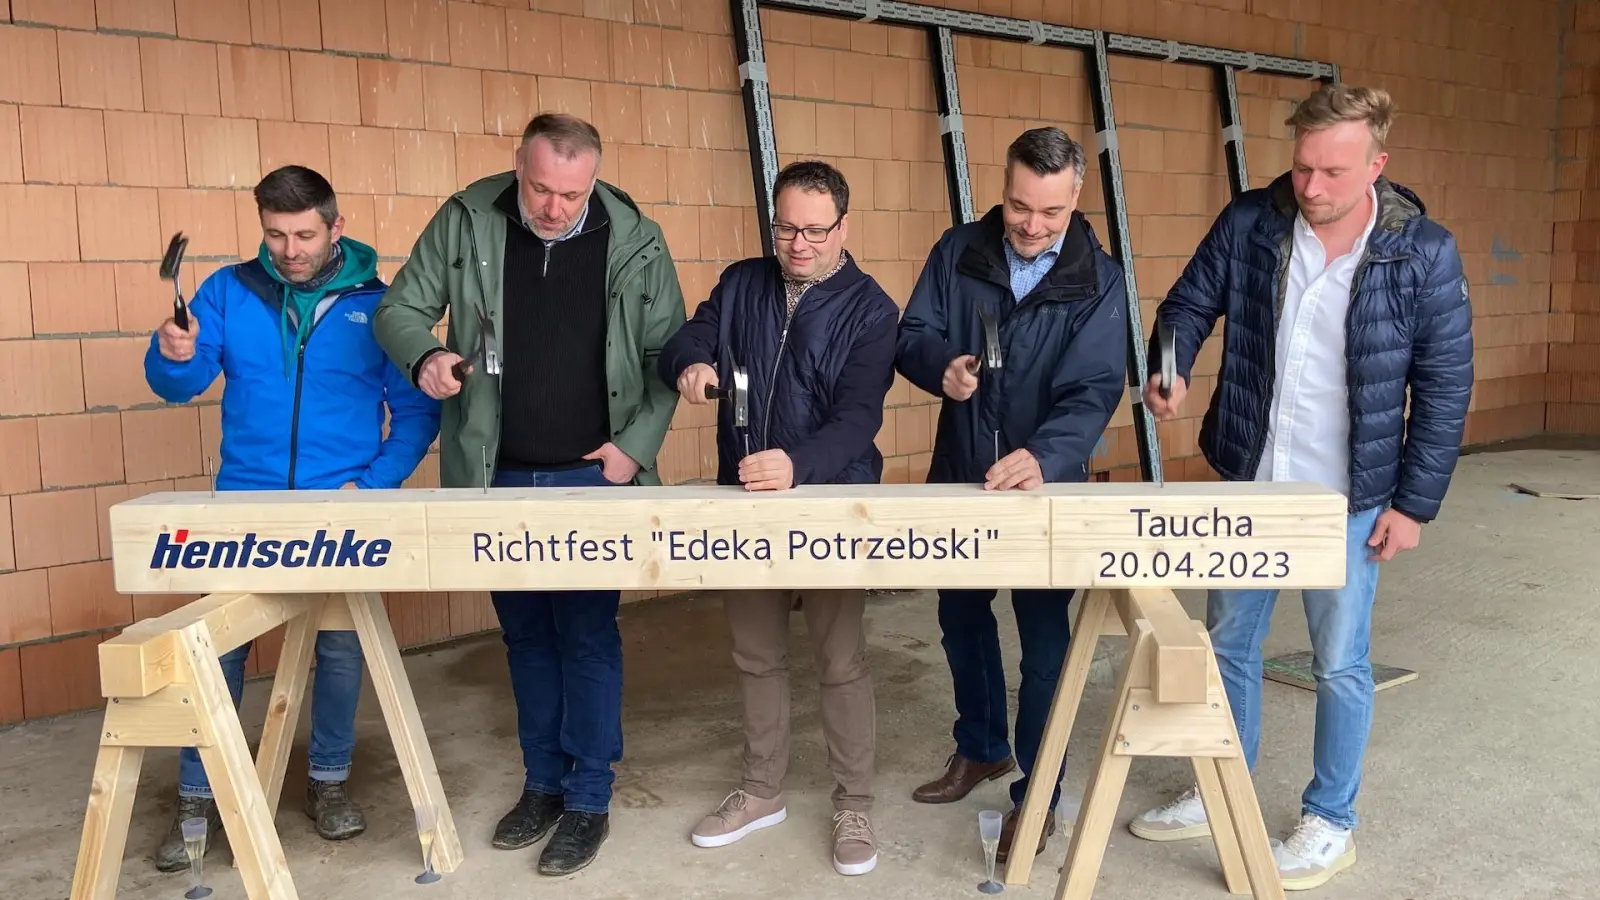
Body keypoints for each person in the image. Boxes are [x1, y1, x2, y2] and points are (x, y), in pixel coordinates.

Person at [1129, 84, 1472, 891]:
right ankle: (1225, 782)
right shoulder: (1252, 220)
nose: (1311, 187)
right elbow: (1186, 304)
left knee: (1341, 663)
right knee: (1227, 646)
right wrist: (1168, 368)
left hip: (1351, 496)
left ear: (1376, 165)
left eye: (1331, 171)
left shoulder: (1422, 252)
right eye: (1302, 167)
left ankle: (1330, 821)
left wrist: (1414, 504)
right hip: (1252, 479)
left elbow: (1447, 384)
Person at [372, 112, 686, 876]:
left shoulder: (634, 237)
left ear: (595, 179)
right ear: (519, 167)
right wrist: (427, 358)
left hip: (593, 475)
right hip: (497, 473)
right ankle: (542, 784)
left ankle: (589, 799)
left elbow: (667, 353)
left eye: (570, 193)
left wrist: (632, 451)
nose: (553, 207)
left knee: (585, 636)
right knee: (525, 639)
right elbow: (399, 310)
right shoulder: (467, 218)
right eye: (541, 188)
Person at [142, 164, 441, 872]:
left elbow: (419, 410)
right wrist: (173, 353)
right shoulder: (225, 291)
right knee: (216, 650)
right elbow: (176, 386)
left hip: (340, 507)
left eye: (304, 233)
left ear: (336, 227)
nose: (289, 249)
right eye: (275, 234)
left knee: (338, 648)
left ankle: (328, 783)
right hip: (243, 503)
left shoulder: (381, 305)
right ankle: (195, 795)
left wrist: (371, 487)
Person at [658, 160, 898, 876]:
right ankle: (762, 789)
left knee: (839, 659)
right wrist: (691, 365)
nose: (798, 244)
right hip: (746, 504)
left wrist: (798, 463)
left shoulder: (872, 310)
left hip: (829, 500)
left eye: (815, 231)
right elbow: (685, 338)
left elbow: (859, 418)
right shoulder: (741, 284)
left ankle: (854, 801)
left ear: (843, 229)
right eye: (787, 227)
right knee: (755, 653)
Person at [895, 127, 1128, 862]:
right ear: (1004, 187)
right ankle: (982, 746)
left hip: (1043, 491)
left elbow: (1095, 386)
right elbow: (913, 334)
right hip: (962, 471)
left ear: (1076, 199)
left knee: (1046, 645)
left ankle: (1041, 793)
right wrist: (943, 368)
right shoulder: (958, 250)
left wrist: (1046, 455)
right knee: (960, 617)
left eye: (1049, 213)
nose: (1031, 225)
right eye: (1019, 205)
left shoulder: (1100, 278)